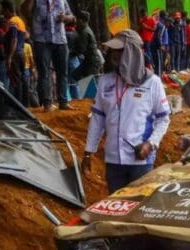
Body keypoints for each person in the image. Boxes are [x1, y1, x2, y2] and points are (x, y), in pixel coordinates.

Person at [82, 30, 171, 194]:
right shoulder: (105, 81)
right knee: (117, 209)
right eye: (113, 50)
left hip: (141, 162)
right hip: (113, 161)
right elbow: (97, 120)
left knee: (138, 209)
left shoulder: (153, 83)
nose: (114, 54)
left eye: (120, 50)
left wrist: (150, 144)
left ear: (133, 52)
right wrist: (88, 152)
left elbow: (163, 119)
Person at [20, 0, 74, 111]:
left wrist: (65, 18)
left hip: (60, 40)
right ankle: (47, 104)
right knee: (44, 73)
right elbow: (24, 11)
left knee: (63, 72)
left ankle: (63, 102)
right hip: (42, 40)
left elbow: (72, 17)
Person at [2, 0, 27, 104]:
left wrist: (10, 57)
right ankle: (24, 104)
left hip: (15, 54)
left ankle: (19, 107)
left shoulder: (12, 21)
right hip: (21, 52)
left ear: (8, 10)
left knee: (16, 81)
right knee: (21, 80)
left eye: (3, 10)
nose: (3, 13)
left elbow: (14, 39)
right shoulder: (20, 21)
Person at [71, 11, 101, 83]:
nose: (76, 23)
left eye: (77, 20)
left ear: (80, 20)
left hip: (91, 62)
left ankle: (92, 93)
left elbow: (81, 49)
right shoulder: (86, 29)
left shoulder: (84, 32)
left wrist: (70, 53)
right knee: (76, 76)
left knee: (88, 83)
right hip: (89, 61)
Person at [151, 11, 169, 76]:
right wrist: (160, 45)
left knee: (157, 62)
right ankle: (158, 78)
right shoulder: (161, 25)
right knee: (159, 63)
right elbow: (159, 36)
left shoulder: (157, 23)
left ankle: (158, 76)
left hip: (153, 45)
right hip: (157, 46)